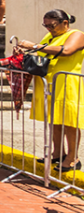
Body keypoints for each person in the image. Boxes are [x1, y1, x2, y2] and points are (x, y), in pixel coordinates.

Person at [19, 9, 84, 172]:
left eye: (52, 25)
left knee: (70, 122)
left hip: (67, 82)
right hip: (49, 83)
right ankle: (57, 153)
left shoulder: (77, 35)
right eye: (46, 25)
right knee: (54, 121)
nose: (49, 29)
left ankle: (72, 157)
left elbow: (67, 50)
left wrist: (34, 45)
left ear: (65, 23)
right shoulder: (49, 36)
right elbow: (43, 53)